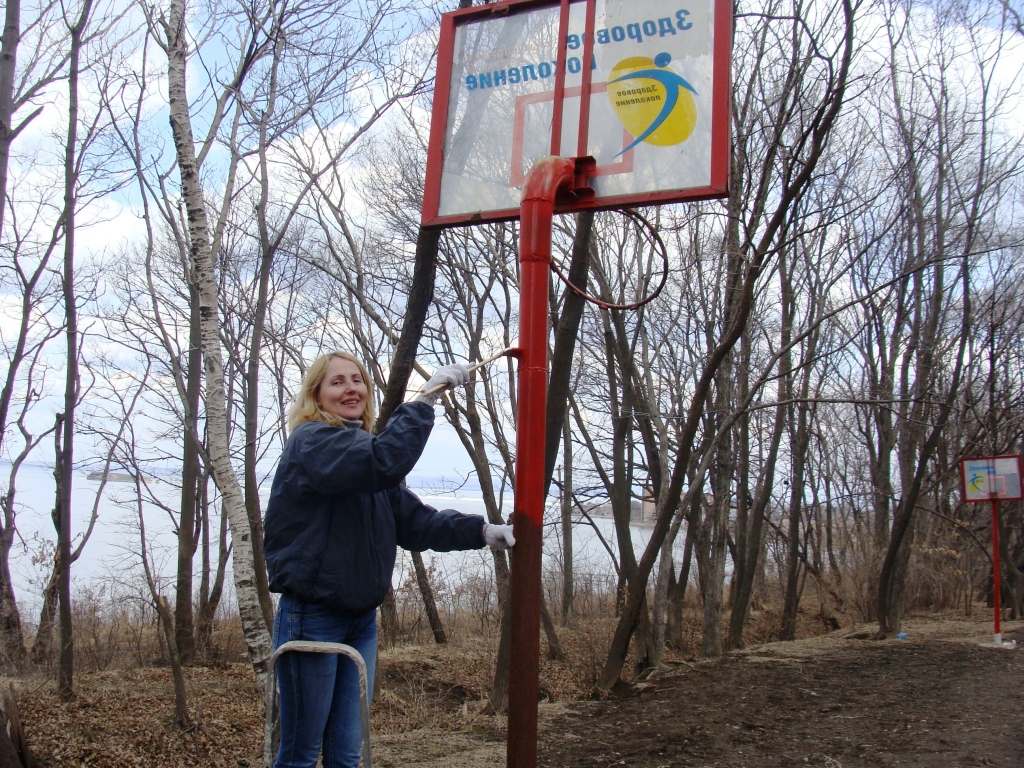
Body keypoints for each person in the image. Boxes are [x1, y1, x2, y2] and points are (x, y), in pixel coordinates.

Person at [264, 351, 515, 768]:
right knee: (301, 753)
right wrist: (425, 398)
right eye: (337, 382)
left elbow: (416, 522)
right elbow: (382, 462)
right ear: (317, 396)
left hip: (360, 621)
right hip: (312, 619)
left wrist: (483, 532)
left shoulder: (360, 451)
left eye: (357, 380)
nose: (351, 388)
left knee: (347, 753)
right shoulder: (312, 442)